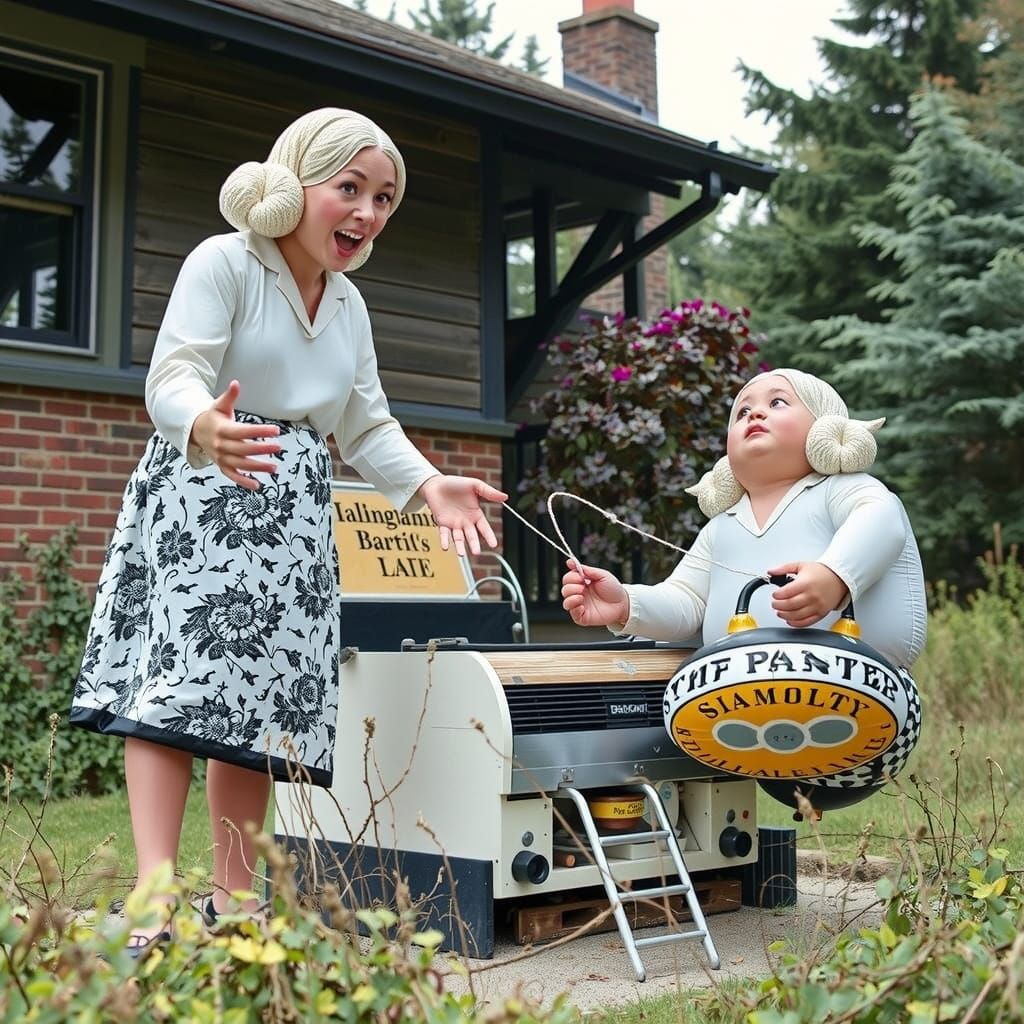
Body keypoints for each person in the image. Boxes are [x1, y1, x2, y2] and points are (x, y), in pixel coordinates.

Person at [70, 108, 506, 955]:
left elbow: (367, 425)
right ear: (293, 181)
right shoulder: (224, 261)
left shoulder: (349, 305)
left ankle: (235, 904)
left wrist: (428, 482)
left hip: (296, 520)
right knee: (174, 693)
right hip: (205, 490)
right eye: (350, 188)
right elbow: (173, 374)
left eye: (384, 198)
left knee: (259, 711)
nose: (368, 212)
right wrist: (204, 424)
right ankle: (153, 900)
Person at [561, 368, 926, 670]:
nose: (755, 414)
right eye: (742, 412)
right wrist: (626, 604)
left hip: (856, 691)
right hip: (740, 705)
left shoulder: (842, 490)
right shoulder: (722, 526)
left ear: (826, 428)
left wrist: (835, 576)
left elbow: (881, 521)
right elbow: (687, 600)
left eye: (777, 402)